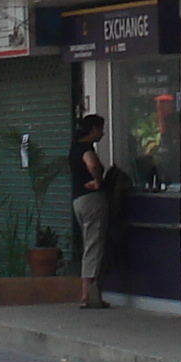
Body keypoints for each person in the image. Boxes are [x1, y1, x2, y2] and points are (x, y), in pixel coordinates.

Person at [70, 114, 113, 310]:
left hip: (78, 200)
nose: (102, 133)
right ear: (93, 129)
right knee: (94, 244)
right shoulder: (86, 149)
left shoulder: (74, 148)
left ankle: (89, 293)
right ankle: (88, 294)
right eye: (100, 129)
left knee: (89, 242)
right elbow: (93, 164)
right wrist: (98, 180)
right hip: (91, 200)